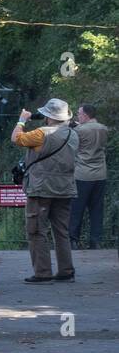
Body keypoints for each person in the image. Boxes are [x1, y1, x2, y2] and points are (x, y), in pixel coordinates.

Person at [13, 99, 78, 283]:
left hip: (41, 189)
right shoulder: (73, 135)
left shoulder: (41, 134)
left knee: (36, 230)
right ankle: (66, 271)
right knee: (62, 231)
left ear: (49, 116)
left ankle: (42, 272)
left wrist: (21, 120)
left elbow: (16, 138)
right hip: (65, 188)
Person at [70, 104, 108, 249]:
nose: (77, 116)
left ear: (85, 115)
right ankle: (95, 241)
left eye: (79, 113)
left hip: (82, 174)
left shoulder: (78, 130)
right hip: (100, 173)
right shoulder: (103, 128)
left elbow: (74, 146)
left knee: (76, 209)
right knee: (97, 209)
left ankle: (73, 240)